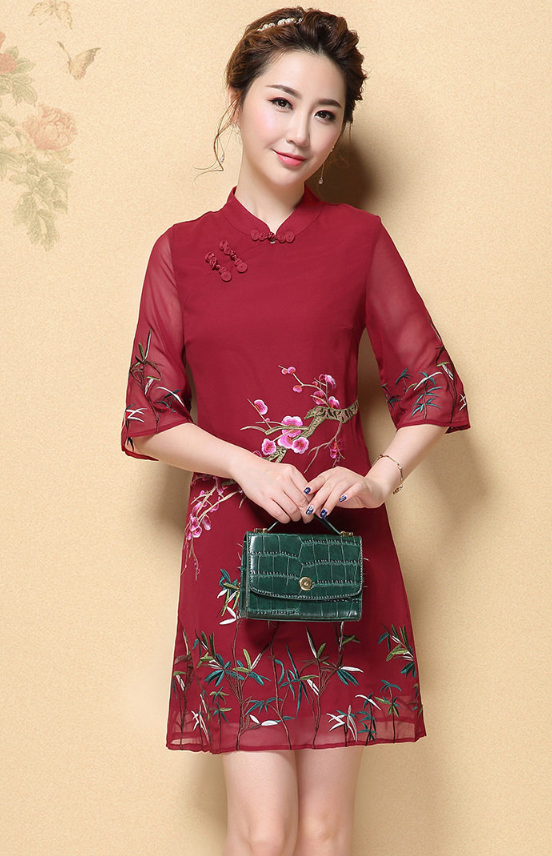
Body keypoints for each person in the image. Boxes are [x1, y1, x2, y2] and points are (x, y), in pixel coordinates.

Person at [121, 7, 470, 855]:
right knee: (262, 831)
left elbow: (431, 384)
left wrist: (379, 478)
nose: (300, 133)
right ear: (237, 99)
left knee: (323, 828)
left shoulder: (359, 240)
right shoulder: (181, 252)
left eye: (325, 114)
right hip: (231, 562)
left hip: (340, 553)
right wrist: (242, 464)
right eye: (281, 102)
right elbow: (149, 416)